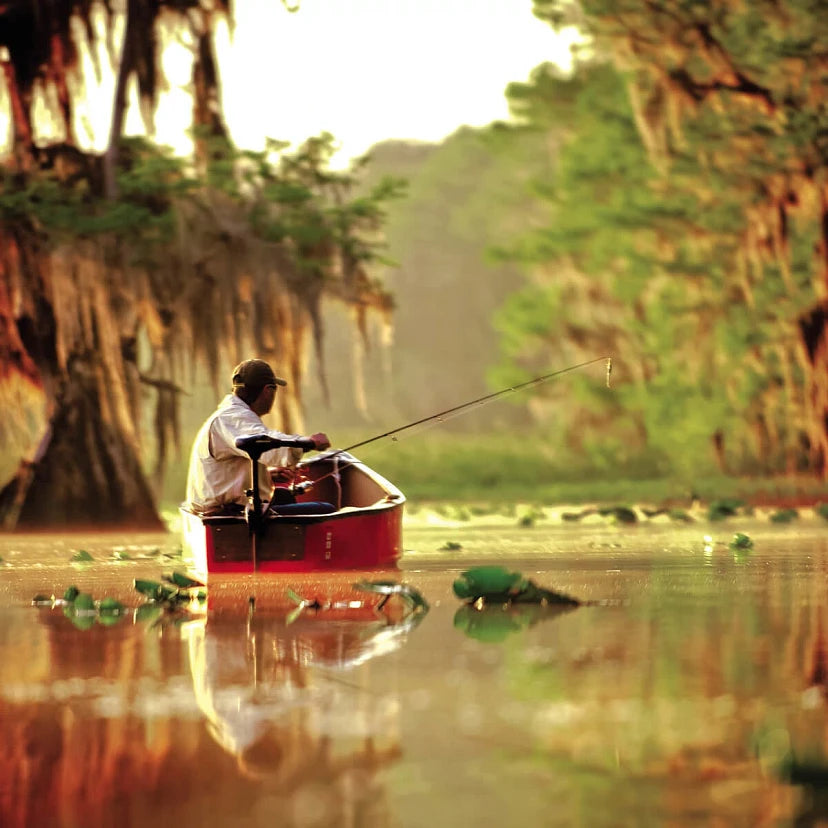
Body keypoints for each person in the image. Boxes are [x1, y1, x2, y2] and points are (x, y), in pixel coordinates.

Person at [186, 359, 331, 514]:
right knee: (326, 510)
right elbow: (265, 443)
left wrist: (267, 475)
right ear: (268, 390)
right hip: (231, 516)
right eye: (274, 390)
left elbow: (229, 469)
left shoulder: (229, 416)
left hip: (229, 510)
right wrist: (310, 442)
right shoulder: (233, 417)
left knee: (283, 496)